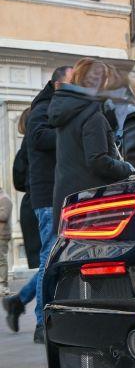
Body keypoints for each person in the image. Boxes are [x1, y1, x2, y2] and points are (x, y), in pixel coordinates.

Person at [3, 65, 72, 339]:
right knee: (49, 259)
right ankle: (42, 322)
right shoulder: (43, 110)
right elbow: (40, 141)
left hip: (54, 195)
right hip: (47, 198)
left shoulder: (52, 110)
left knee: (54, 259)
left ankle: (18, 301)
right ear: (57, 85)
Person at [48, 59, 135, 228]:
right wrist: (127, 168)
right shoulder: (91, 114)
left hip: (68, 201)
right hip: (89, 205)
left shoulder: (68, 110)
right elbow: (97, 161)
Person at [12, 108, 41, 270]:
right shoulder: (41, 144)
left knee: (40, 264)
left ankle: (23, 295)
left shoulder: (23, 151)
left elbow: (17, 181)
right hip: (42, 202)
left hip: (29, 205)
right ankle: (23, 295)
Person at [0, 185, 11, 297]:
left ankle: (4, 286)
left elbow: (4, 216)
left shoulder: (5, 198)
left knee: (1, 260)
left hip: (2, 235)